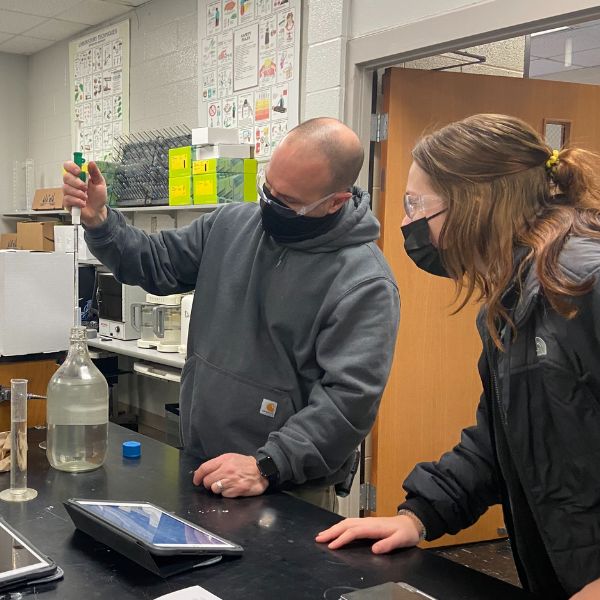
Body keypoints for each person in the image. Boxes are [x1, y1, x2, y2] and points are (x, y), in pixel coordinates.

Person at [316, 114, 600, 599]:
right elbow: (501, 441)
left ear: (476, 202)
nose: (406, 222)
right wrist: (419, 515)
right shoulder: (516, 300)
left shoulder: (583, 284)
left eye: (416, 204)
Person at [62, 117, 400, 512]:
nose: (270, 206)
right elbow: (156, 263)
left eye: (287, 202)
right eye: (267, 190)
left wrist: (267, 465)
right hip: (203, 465)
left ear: (335, 201)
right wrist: (102, 222)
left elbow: (348, 404)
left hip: (285, 487)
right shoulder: (232, 224)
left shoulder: (364, 283)